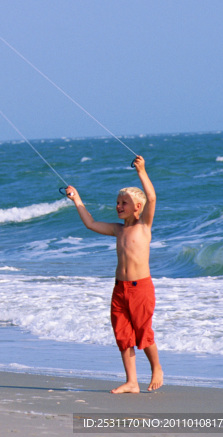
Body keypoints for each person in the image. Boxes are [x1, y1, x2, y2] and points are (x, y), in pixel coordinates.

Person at [65, 155, 163, 393]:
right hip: (119, 288)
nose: (118, 206)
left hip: (141, 288)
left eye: (124, 203)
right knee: (123, 333)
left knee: (143, 331)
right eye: (118, 202)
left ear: (137, 208)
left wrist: (141, 170)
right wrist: (76, 198)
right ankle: (132, 382)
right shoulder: (117, 230)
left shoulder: (144, 227)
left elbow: (151, 197)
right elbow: (90, 223)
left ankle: (157, 367)